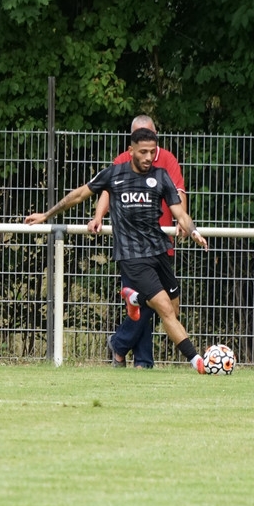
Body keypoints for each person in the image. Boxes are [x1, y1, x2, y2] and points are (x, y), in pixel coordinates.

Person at [26, 127, 210, 373]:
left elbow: (180, 214)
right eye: (143, 152)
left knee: (173, 310)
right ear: (131, 150)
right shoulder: (114, 174)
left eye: (152, 152)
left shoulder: (161, 176)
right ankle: (198, 362)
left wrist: (193, 231)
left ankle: (135, 299)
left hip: (159, 251)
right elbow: (79, 195)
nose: (148, 157)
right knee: (164, 308)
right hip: (132, 256)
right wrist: (47, 215)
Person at [87, 115, 186, 368]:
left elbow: (179, 193)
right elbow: (107, 190)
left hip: (159, 243)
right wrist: (98, 216)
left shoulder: (167, 159)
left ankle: (121, 346)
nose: (147, 153)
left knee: (152, 302)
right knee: (150, 300)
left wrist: (182, 221)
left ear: (155, 135)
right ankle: (141, 360)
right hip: (131, 246)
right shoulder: (123, 159)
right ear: (132, 141)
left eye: (149, 134)